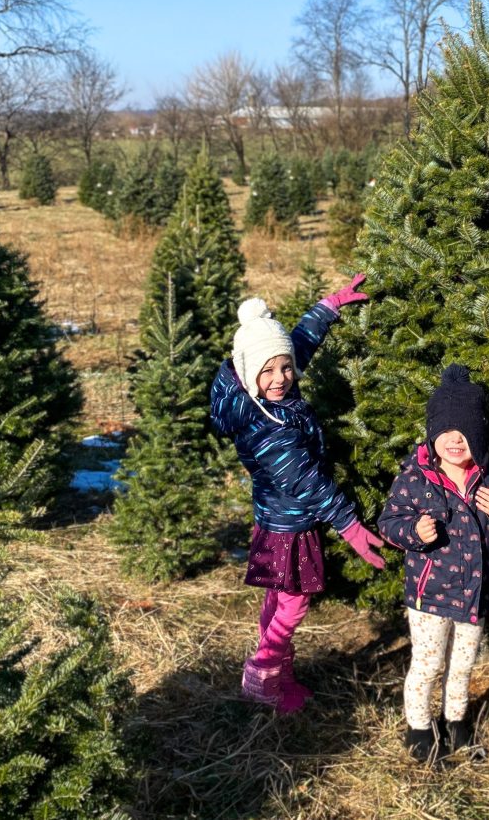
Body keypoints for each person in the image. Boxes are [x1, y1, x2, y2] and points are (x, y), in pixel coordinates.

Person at [210, 276, 385, 714]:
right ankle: (263, 672)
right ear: (251, 374)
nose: (281, 378)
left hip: (274, 518)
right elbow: (305, 480)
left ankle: (279, 672)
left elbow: (295, 346)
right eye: (269, 371)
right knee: (294, 601)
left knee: (277, 595)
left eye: (284, 368)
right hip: (290, 523)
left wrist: (327, 308)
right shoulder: (266, 426)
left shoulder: (260, 386)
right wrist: (348, 524)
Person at [378, 364, 489, 763]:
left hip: (474, 594)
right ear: (433, 433)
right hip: (429, 597)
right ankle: (419, 727)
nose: (455, 440)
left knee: (462, 666)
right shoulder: (416, 477)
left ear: (477, 435)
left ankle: (456, 722)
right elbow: (388, 522)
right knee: (427, 665)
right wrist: (414, 532)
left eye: (464, 432)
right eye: (446, 431)